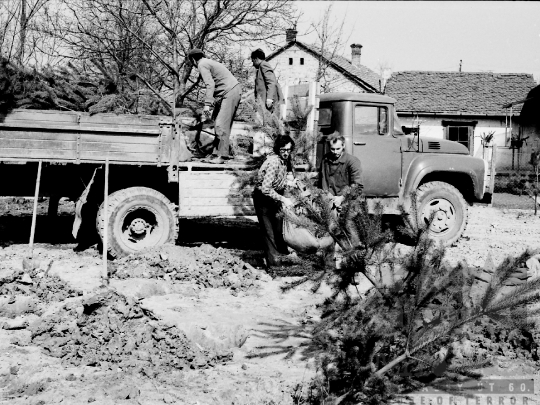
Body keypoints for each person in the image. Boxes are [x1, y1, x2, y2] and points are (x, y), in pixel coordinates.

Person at [188, 48, 242, 164]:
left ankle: (223, 156)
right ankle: (215, 154)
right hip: (227, 93)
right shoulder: (207, 62)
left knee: (220, 125)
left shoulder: (202, 64)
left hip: (230, 92)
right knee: (217, 122)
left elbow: (210, 85)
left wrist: (207, 108)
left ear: (193, 59)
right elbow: (215, 90)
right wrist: (208, 113)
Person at [318, 132, 363, 266]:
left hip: (349, 201)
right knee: (330, 230)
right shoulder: (326, 160)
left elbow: (357, 186)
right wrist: (328, 196)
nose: (335, 152)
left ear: (343, 146)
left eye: (338, 148)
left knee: (349, 229)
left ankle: (355, 264)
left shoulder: (352, 161)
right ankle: (330, 265)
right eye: (332, 149)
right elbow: (323, 182)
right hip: (331, 200)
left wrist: (342, 198)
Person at [252, 135, 296, 268]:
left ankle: (284, 260)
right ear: (278, 149)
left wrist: (292, 182)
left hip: (275, 197)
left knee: (279, 230)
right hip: (263, 199)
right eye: (283, 150)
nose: (286, 152)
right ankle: (274, 267)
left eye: (288, 150)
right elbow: (266, 189)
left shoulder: (286, 160)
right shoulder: (273, 162)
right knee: (269, 232)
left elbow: (288, 175)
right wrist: (283, 199)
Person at [251, 48, 283, 114]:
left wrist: (269, 99)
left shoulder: (264, 65)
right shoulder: (260, 67)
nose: (253, 64)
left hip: (266, 103)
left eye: (253, 61)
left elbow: (271, 82)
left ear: (256, 58)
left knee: (268, 122)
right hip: (263, 102)